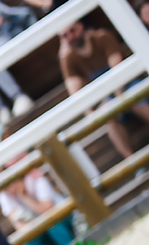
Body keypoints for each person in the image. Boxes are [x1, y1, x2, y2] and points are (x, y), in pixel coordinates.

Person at [59, 21, 149, 159]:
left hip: (127, 83)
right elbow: (74, 89)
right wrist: (91, 114)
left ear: (81, 27)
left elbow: (117, 68)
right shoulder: (68, 58)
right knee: (107, 116)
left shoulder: (102, 36)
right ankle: (133, 161)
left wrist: (120, 98)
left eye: (72, 30)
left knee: (134, 100)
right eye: (65, 35)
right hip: (108, 96)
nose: (70, 37)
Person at [0, 165, 77, 245]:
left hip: (62, 218)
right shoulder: (5, 195)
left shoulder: (35, 179)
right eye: (6, 188)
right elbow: (18, 225)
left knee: (52, 225)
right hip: (40, 229)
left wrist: (24, 196)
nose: (10, 189)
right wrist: (30, 230)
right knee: (29, 238)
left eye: (11, 184)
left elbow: (47, 210)